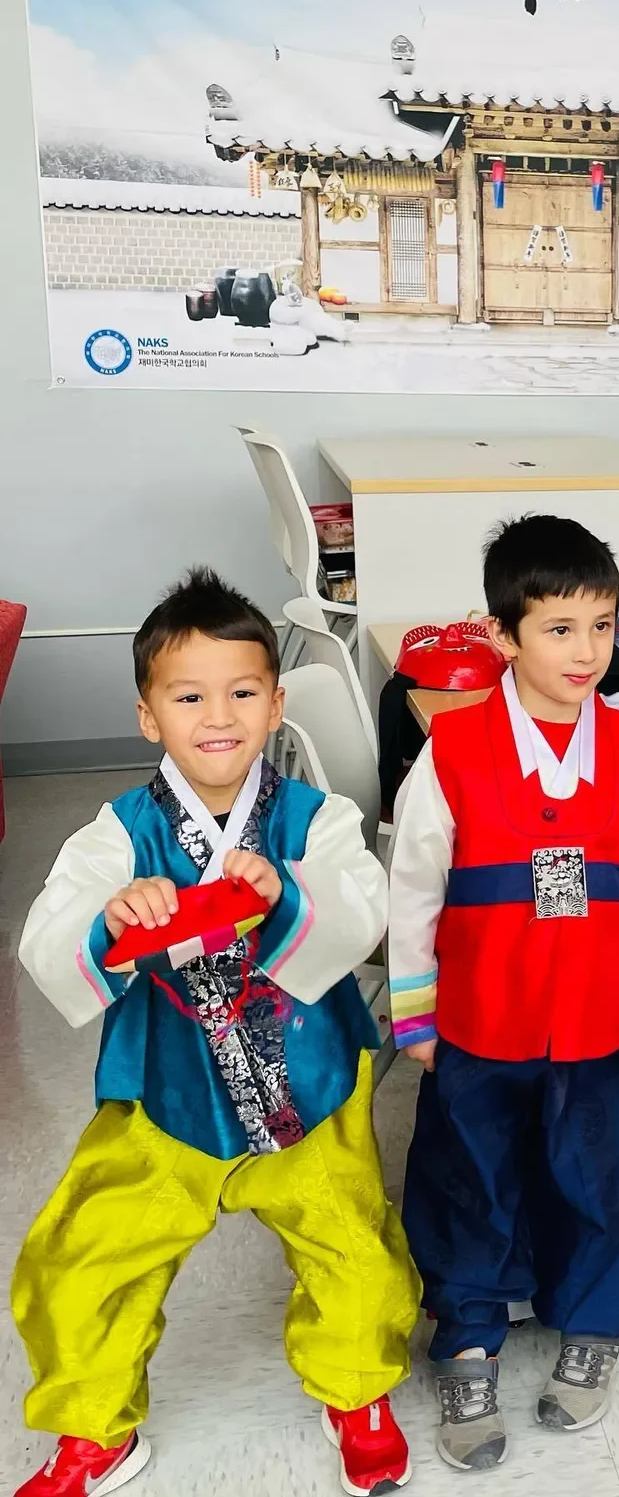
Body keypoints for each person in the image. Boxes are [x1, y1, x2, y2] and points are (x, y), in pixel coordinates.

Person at [13, 570, 421, 1497]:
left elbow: (362, 907)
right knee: (80, 1258)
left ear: (277, 704)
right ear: (149, 715)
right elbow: (47, 932)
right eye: (188, 696)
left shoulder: (317, 819)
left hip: (307, 1089)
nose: (219, 716)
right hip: (168, 1097)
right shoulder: (116, 834)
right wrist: (113, 917)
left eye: (242, 692)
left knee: (354, 1247)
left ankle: (356, 1391)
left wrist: (291, 895)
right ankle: (95, 1428)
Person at [388, 515, 619, 1472]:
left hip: (604, 1021)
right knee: (468, 1177)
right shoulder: (455, 747)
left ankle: (592, 1328)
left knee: (605, 1174)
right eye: (560, 627)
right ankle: (468, 1337)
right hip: (485, 1017)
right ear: (501, 634)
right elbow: (415, 884)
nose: (587, 651)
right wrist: (416, 1009)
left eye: (603, 625)